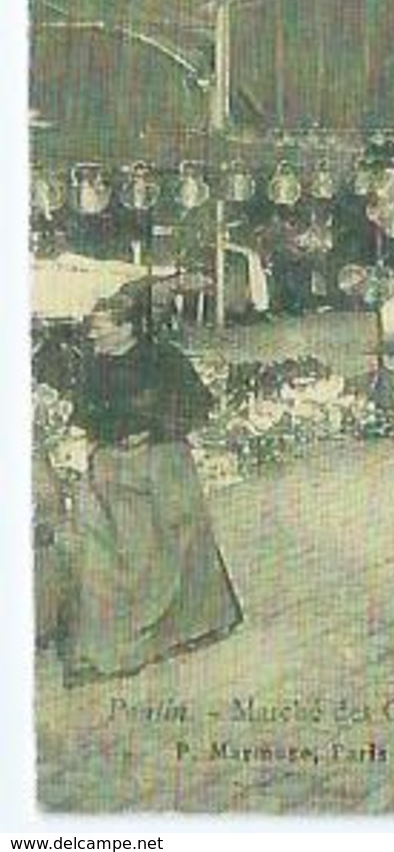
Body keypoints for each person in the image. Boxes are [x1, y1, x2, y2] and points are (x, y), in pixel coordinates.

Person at [60, 287, 242, 685]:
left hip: (161, 460)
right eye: (93, 329)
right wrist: (99, 441)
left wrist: (152, 430)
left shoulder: (164, 358)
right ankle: (113, 647)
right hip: (110, 466)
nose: (93, 336)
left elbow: (196, 406)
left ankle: (200, 622)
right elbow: (84, 412)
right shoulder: (93, 365)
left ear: (127, 328)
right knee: (114, 553)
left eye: (102, 329)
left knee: (180, 538)